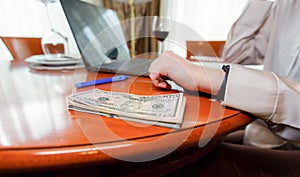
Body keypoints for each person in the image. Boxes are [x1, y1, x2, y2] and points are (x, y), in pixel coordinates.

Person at [150, 0, 300, 176]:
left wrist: (204, 77)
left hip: (291, 145)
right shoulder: (288, 5)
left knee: (176, 163)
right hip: (263, 132)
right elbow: (235, 55)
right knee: (177, 146)